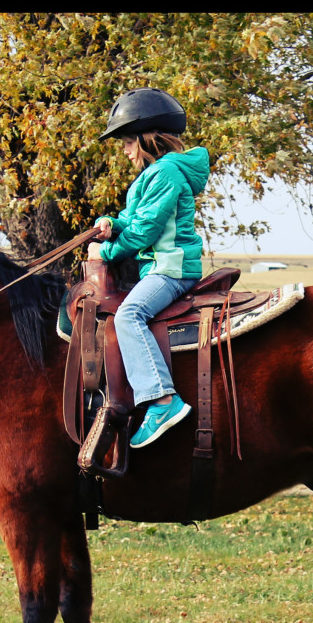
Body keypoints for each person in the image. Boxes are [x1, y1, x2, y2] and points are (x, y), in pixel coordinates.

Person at [87, 88, 210, 449]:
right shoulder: (157, 174)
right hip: (161, 266)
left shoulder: (165, 174)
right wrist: (111, 221)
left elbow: (146, 230)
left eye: (127, 142)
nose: (125, 151)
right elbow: (134, 218)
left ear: (146, 138)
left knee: (129, 316)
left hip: (170, 268)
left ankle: (161, 400)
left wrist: (105, 252)